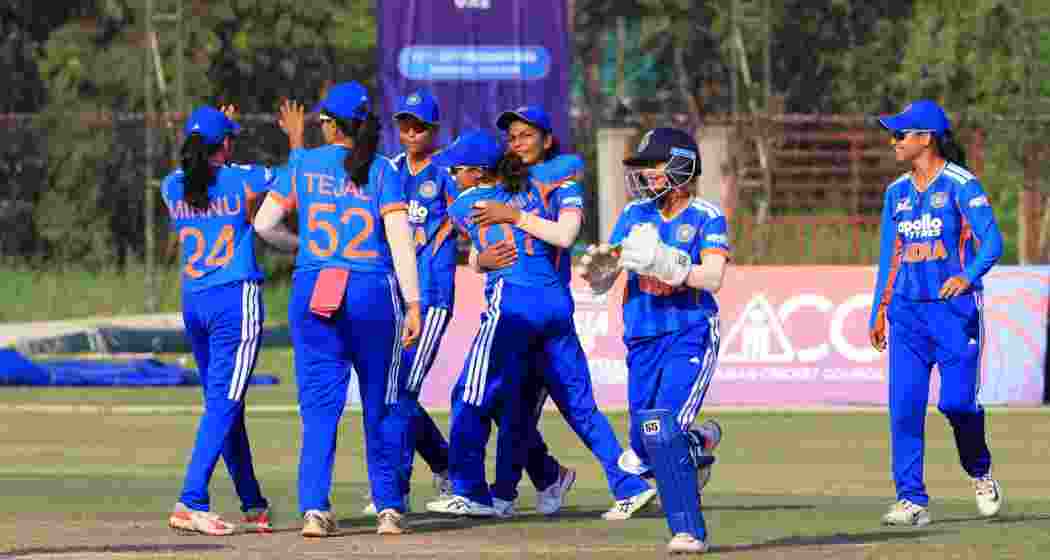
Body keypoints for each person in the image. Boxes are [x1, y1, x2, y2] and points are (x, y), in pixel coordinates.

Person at [468, 105, 654, 519]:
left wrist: (515, 215)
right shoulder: (501, 182)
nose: (517, 143)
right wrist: (483, 260)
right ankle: (511, 492)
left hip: (547, 310)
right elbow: (477, 254)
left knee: (576, 405)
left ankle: (626, 484)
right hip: (520, 305)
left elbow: (566, 234)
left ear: (548, 140)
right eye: (512, 136)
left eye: (526, 135)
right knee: (513, 406)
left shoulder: (562, 178)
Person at [254, 82, 422, 537]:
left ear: (328, 124)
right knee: (381, 404)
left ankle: (314, 509)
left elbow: (264, 224)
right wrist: (413, 303)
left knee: (319, 409)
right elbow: (401, 241)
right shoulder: (384, 169)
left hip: (316, 287)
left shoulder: (302, 163)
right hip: (372, 289)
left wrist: (301, 247)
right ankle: (388, 508)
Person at [579, 127, 728, 554]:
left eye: (655, 165)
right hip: (642, 337)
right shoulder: (634, 214)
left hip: (690, 332)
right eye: (644, 166)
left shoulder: (706, 215)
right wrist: (600, 273)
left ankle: (687, 531)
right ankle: (698, 444)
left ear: (682, 165)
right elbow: (609, 277)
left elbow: (713, 277)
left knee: (661, 428)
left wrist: (669, 264)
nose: (646, 174)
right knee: (643, 444)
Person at [423, 128, 579, 517]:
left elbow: (475, 234)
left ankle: (470, 490)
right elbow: (484, 250)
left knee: (468, 394)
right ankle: (546, 474)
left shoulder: (466, 204)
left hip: (509, 310)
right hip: (545, 305)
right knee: (502, 404)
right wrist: (479, 260)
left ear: (476, 172)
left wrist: (478, 259)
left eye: (457, 170)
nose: (451, 178)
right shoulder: (528, 190)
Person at [869, 99, 1004, 527]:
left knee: (957, 403)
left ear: (925, 138)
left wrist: (968, 275)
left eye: (900, 135)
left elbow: (993, 242)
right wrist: (878, 311)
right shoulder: (896, 193)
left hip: (953, 314)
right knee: (904, 407)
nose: (893, 141)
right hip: (907, 316)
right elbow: (889, 257)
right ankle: (911, 499)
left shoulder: (963, 185)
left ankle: (980, 470)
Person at [162, 106, 275, 536]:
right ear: (224, 145)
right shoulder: (239, 178)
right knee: (225, 403)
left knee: (223, 402)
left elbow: (197, 172)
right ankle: (191, 499)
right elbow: (283, 179)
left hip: (195, 302)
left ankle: (252, 502)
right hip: (234, 301)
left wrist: (220, 135)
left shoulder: (169, 185)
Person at [361, 88, 456, 515]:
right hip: (395, 294)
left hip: (432, 294)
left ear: (434, 129)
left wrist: (439, 237)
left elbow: (465, 214)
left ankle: (392, 494)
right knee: (393, 392)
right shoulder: (390, 170)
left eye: (419, 126)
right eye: (405, 124)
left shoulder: (447, 170)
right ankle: (446, 465)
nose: (411, 132)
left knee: (401, 393)